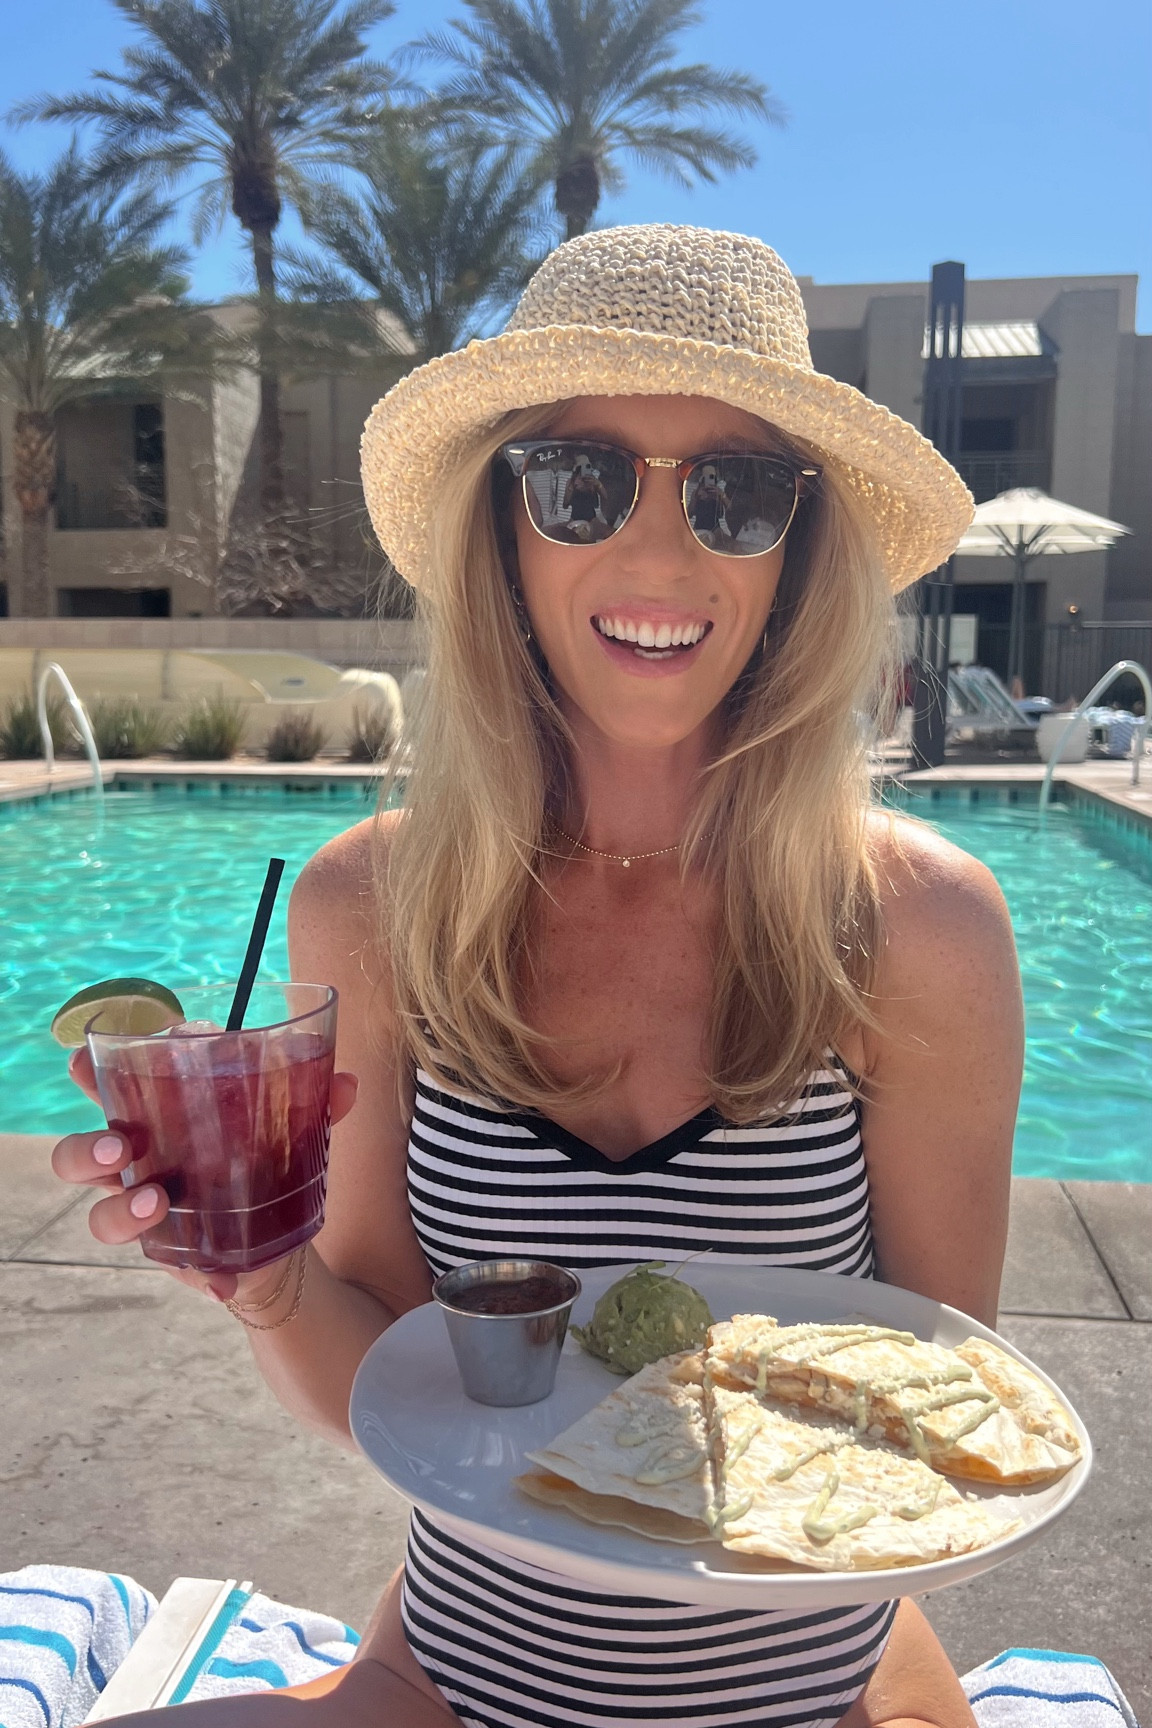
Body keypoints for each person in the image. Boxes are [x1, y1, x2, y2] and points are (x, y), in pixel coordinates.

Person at [52, 225, 1024, 1728]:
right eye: (579, 482)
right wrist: (267, 1282)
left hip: (806, 1696)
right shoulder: (378, 905)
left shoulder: (917, 928)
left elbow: (944, 1413)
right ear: (502, 529)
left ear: (803, 547)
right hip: (456, 1678)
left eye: (738, 491)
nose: (659, 555)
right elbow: (375, 1369)